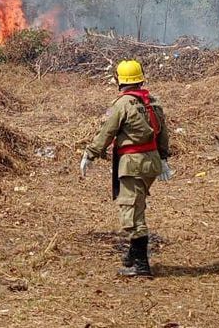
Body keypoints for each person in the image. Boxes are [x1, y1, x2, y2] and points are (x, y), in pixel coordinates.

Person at [81, 59, 172, 277]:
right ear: (140, 79)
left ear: (120, 81)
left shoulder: (122, 105)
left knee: (131, 212)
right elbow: (163, 133)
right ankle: (132, 256)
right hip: (151, 162)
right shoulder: (152, 102)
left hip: (133, 164)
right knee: (137, 205)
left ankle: (142, 267)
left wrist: (90, 154)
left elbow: (107, 132)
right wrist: (163, 159)